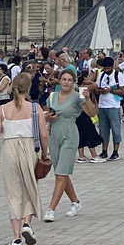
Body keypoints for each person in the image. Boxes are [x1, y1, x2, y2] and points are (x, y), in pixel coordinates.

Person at [0, 72, 50, 245]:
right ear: (28, 88)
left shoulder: (2, 109)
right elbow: (44, 134)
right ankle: (27, 223)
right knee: (30, 186)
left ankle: (16, 237)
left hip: (9, 149)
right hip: (30, 147)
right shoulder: (34, 108)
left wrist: (5, 128)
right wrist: (45, 153)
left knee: (13, 191)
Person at [43, 70, 83, 221]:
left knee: (60, 174)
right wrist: (48, 116)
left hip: (70, 134)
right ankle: (75, 202)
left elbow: (92, 112)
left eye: (69, 80)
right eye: (64, 79)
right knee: (61, 172)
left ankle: (51, 209)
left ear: (73, 82)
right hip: (54, 134)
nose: (66, 82)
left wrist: (88, 98)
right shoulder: (52, 96)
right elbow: (46, 114)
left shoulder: (77, 97)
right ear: (59, 81)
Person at [94, 56, 124, 160]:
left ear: (112, 67)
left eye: (108, 68)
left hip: (114, 105)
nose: (106, 70)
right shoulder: (101, 75)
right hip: (102, 106)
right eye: (105, 68)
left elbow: (122, 91)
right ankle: (104, 151)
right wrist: (100, 91)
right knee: (103, 129)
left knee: (115, 129)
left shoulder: (118, 75)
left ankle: (115, 151)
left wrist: (110, 90)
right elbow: (96, 89)